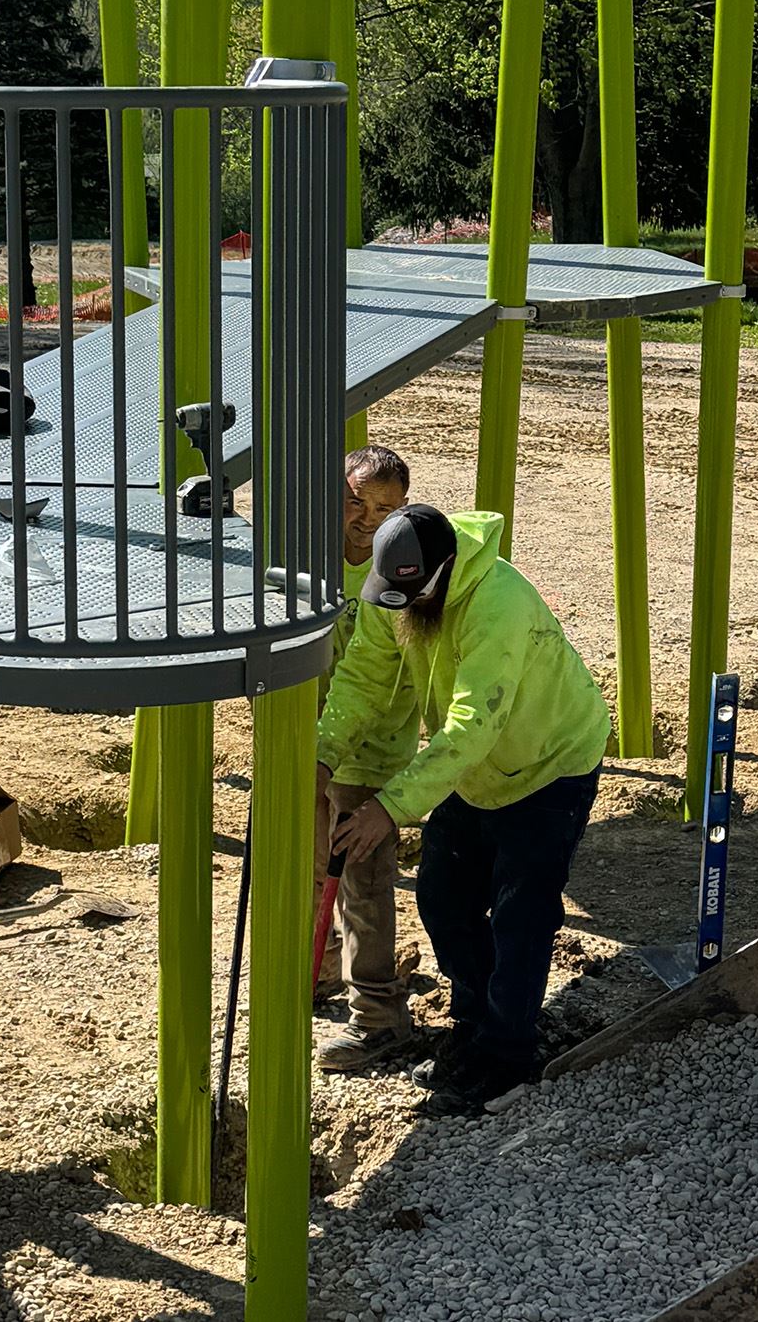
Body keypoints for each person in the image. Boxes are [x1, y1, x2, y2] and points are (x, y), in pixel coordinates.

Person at [317, 504, 610, 1115]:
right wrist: (322, 757)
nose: (397, 607)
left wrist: (388, 807)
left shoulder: (497, 605)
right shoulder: (399, 592)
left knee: (520, 912)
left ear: (443, 573)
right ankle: (475, 1025)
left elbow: (471, 727)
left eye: (409, 595)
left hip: (547, 766)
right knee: (444, 898)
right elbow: (364, 677)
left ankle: (507, 1058)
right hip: (474, 768)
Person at [312, 446, 422, 1071]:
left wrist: (335, 755)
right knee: (310, 862)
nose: (367, 517)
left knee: (365, 880)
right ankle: (322, 968)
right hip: (316, 744)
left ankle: (379, 1017)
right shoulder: (309, 562)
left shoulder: (397, 572)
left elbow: (380, 681)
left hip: (371, 748)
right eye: (357, 501)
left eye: (385, 508)